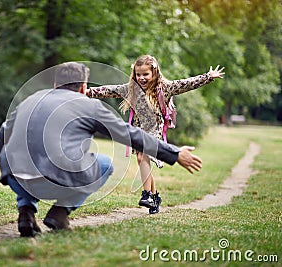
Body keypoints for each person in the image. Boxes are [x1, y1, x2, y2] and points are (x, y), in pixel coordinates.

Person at [0, 62, 203, 238]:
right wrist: (174, 154)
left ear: (55, 84)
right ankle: (60, 212)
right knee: (104, 165)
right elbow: (131, 134)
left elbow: (6, 127)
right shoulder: (89, 106)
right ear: (83, 87)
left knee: (28, 158)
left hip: (14, 175)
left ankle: (26, 212)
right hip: (56, 179)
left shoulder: (31, 99)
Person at [86, 55, 225, 214]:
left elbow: (186, 83)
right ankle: (154, 197)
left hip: (155, 129)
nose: (142, 78)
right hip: (138, 129)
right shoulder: (131, 89)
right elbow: (109, 90)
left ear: (154, 72)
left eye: (145, 74)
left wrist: (207, 77)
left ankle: (146, 195)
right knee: (142, 161)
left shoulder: (165, 88)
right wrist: (88, 91)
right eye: (138, 75)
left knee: (141, 157)